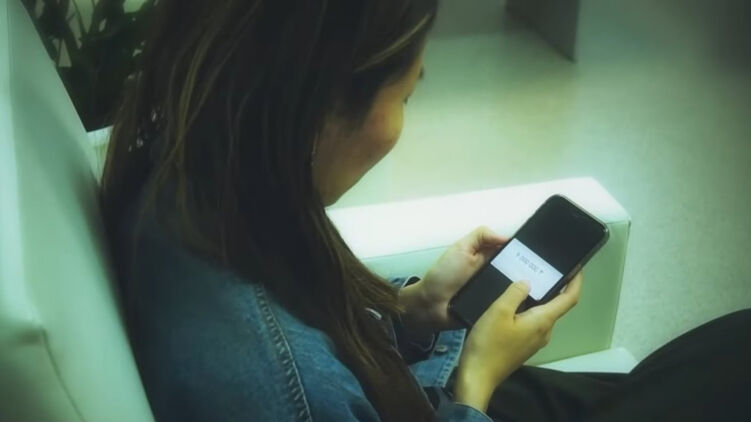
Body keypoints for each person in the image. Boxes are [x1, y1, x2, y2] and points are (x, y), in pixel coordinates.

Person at [99, 0, 751, 421]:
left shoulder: (189, 172)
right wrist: (476, 379)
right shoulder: (286, 392)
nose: (400, 126)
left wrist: (412, 315)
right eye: (406, 96)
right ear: (316, 107)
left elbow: (324, 339)